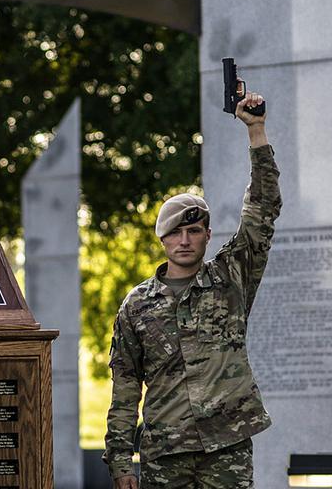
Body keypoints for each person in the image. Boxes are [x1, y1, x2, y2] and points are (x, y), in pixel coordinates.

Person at [103, 88, 280, 488]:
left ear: (207, 236)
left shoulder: (230, 277)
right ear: (162, 241)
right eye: (176, 233)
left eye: (194, 231)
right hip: (166, 452)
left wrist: (256, 132)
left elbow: (263, 209)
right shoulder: (137, 305)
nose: (185, 240)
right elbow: (126, 385)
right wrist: (119, 460)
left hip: (227, 446)